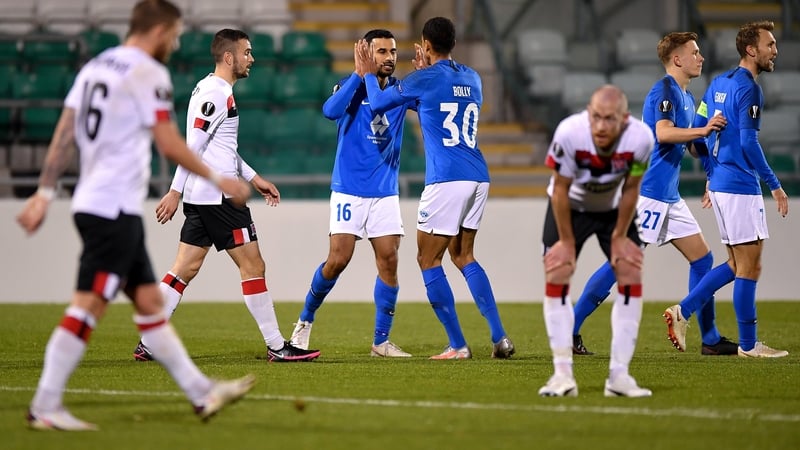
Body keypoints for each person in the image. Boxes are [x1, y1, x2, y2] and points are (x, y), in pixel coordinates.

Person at [16, 0, 255, 431]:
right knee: (86, 307)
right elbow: (170, 142)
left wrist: (44, 192)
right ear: (160, 31)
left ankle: (202, 394)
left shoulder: (94, 68)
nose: (177, 42)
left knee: (149, 305)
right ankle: (45, 405)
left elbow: (65, 132)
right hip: (113, 210)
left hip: (93, 204)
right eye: (175, 34)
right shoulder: (148, 72)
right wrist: (220, 181)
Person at [131, 28, 320, 363]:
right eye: (247, 52)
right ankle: (277, 345)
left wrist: (254, 177)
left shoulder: (209, 88)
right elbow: (193, 148)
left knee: (184, 268)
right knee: (253, 265)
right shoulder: (217, 94)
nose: (252, 59)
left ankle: (149, 341)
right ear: (229, 57)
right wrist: (174, 192)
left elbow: (221, 149)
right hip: (219, 200)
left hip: (203, 197)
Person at [356, 17, 515, 360]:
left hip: (446, 179)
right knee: (464, 255)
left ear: (425, 45)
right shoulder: (472, 77)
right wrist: (420, 79)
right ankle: (500, 337)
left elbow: (381, 102)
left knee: (428, 259)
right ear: (452, 43)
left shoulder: (423, 78)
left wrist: (369, 73)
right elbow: (431, 103)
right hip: (478, 176)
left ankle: (458, 345)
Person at [569, 32, 735, 356]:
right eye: (695, 52)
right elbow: (663, 133)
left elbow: (690, 143)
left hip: (668, 196)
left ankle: (710, 338)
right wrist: (702, 129)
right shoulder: (665, 91)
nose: (701, 58)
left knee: (702, 258)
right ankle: (569, 329)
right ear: (677, 59)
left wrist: (713, 171)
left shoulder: (686, 96)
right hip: (649, 194)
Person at [663, 20, 789, 358]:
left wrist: (710, 173)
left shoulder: (718, 83)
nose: (775, 50)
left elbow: (697, 135)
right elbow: (748, 142)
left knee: (736, 264)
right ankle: (749, 346)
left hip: (722, 185)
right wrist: (775, 185)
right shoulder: (750, 89)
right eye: (770, 44)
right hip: (739, 186)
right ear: (752, 50)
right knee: (750, 266)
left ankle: (683, 311)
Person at [289, 29, 415, 357]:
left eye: (392, 51)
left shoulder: (401, 91)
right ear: (367, 55)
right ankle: (304, 322)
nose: (389, 57)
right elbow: (330, 110)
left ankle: (381, 341)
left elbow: (428, 102)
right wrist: (359, 77)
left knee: (389, 260)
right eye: (382, 52)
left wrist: (428, 71)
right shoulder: (351, 87)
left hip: (384, 193)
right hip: (349, 191)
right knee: (338, 260)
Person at [538, 85, 654, 398]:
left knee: (630, 271)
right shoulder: (570, 133)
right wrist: (566, 242)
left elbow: (632, 188)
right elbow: (560, 189)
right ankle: (562, 375)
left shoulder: (642, 139)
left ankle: (619, 377)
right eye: (596, 118)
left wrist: (619, 236)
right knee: (558, 272)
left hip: (612, 208)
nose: (601, 126)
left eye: (609, 120)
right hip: (570, 206)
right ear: (588, 114)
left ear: (624, 119)